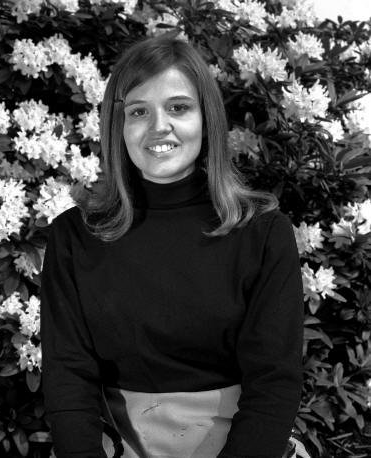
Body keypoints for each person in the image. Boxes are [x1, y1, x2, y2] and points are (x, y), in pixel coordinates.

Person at [40, 34, 306, 458]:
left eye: (178, 108)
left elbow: (274, 382)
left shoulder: (263, 233)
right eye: (139, 111)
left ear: (207, 118)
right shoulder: (73, 237)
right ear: (117, 126)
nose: (158, 126)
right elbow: (67, 376)